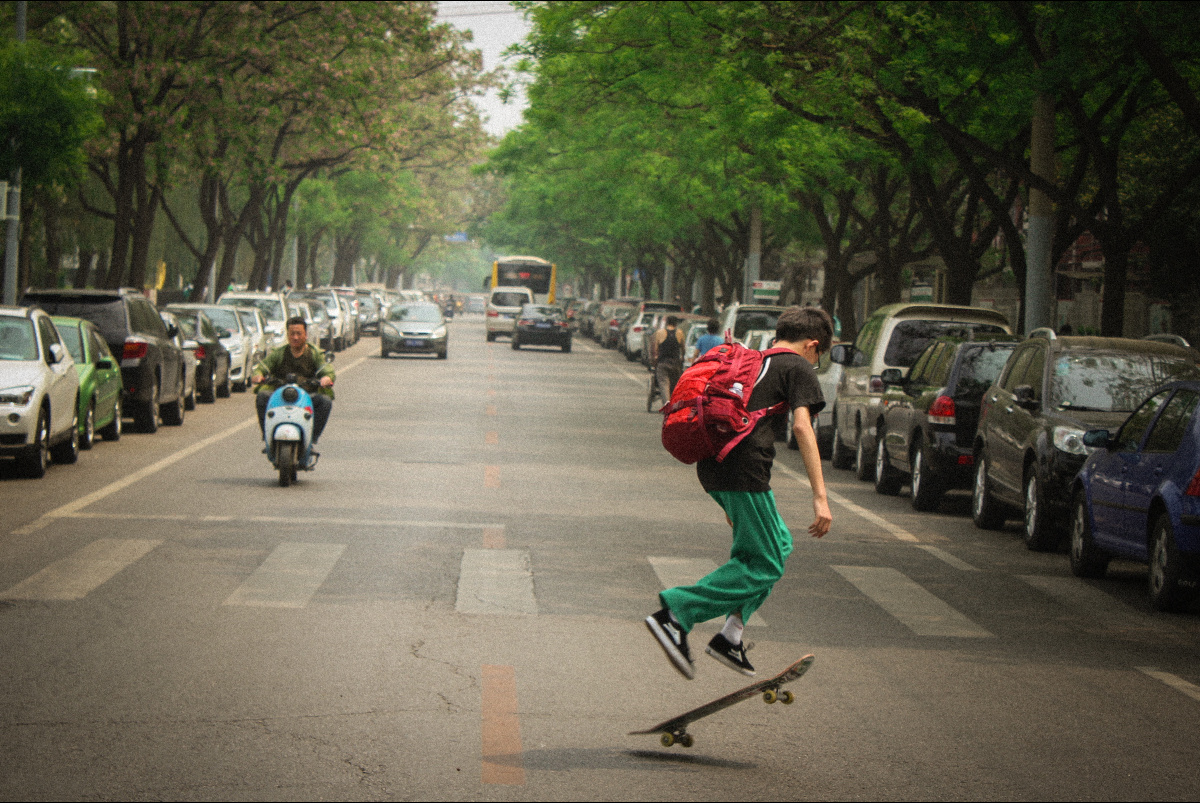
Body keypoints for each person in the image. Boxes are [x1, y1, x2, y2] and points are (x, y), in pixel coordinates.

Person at [646, 306, 834, 679]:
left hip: (718, 464)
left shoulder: (756, 360)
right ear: (812, 345)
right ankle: (676, 614)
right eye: (819, 355)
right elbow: (802, 427)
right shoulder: (798, 367)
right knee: (766, 563)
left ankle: (730, 636)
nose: (816, 361)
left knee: (778, 544)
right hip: (743, 471)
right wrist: (820, 497)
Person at [252, 316, 335, 450]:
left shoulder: (314, 353)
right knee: (262, 397)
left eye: (299, 333)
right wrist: (258, 375)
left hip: (307, 396)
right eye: (292, 334)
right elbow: (262, 367)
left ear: (306, 335)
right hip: (281, 394)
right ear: (287, 335)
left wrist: (326, 378)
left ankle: (312, 438)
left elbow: (326, 370)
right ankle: (267, 434)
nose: (295, 337)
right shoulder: (279, 353)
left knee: (325, 401)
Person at [651, 316, 685, 410]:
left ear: (666, 323)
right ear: (676, 324)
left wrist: (655, 359)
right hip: (675, 364)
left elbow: (655, 349)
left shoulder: (660, 333)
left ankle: (666, 404)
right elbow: (683, 349)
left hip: (663, 363)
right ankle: (674, 403)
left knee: (663, 384)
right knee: (674, 385)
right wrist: (682, 358)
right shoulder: (680, 333)